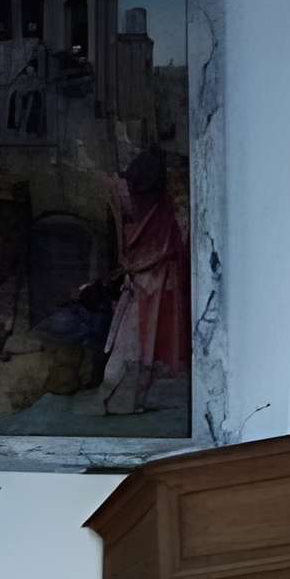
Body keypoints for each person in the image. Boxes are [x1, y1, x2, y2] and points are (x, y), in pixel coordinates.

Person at [100, 144, 186, 417]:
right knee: (132, 348)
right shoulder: (146, 213)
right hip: (145, 289)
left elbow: (162, 251)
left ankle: (131, 399)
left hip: (156, 290)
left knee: (143, 348)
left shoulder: (163, 215)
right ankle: (125, 398)